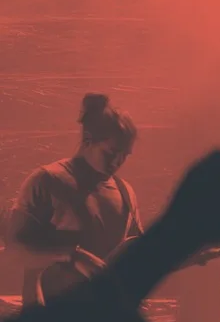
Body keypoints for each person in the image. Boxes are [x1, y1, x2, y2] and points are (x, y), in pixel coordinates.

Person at [5, 93, 141, 306]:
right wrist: (72, 256)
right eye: (111, 153)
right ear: (87, 139)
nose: (118, 161)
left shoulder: (126, 193)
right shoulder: (46, 181)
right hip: (51, 319)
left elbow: (138, 252)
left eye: (125, 155)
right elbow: (14, 251)